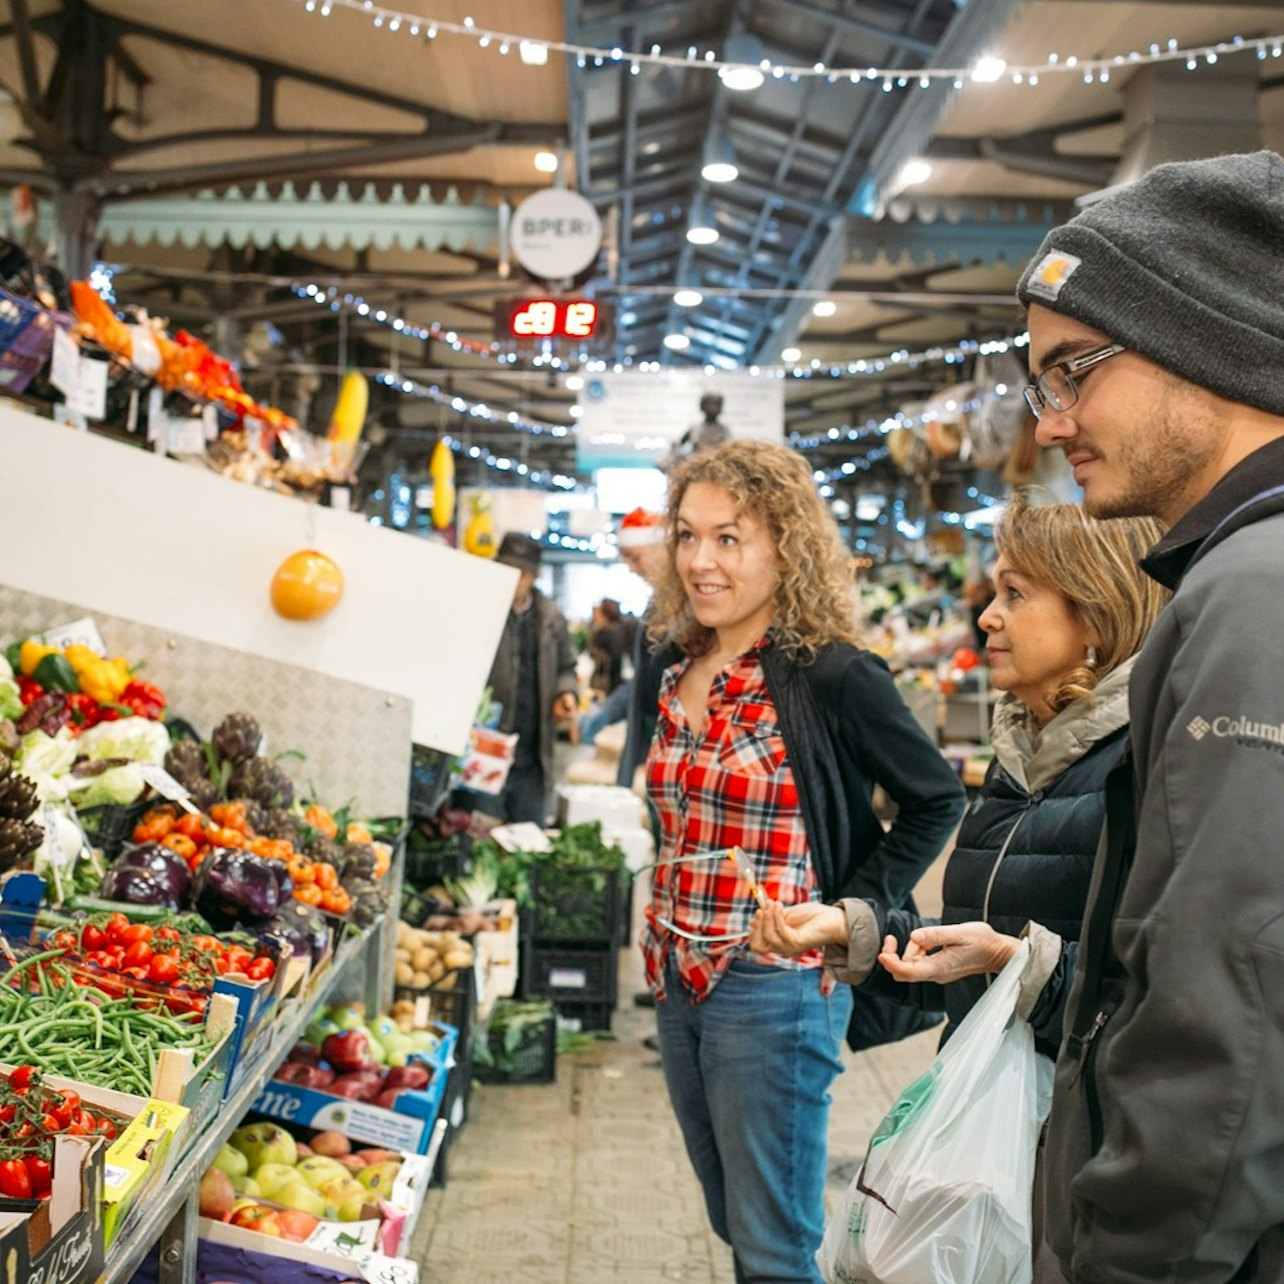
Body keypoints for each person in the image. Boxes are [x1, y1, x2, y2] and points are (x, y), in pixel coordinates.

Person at [1015, 150, 1284, 1281]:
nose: (1051, 422)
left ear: (1205, 340)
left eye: (1074, 369)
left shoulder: (1252, 595)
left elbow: (1233, 1008)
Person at [643, 439, 965, 1283]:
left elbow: (936, 799)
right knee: (733, 1210)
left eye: (728, 538)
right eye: (688, 535)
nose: (701, 560)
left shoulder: (831, 677)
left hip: (776, 984)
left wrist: (851, 910)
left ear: (786, 546)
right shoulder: (673, 665)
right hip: (676, 972)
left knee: (774, 1244)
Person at [748, 496, 1167, 1065]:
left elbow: (1160, 999)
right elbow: (968, 963)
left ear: (1094, 615)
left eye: (1014, 594)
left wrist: (1011, 961)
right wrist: (852, 928)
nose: (987, 617)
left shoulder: (1142, 771)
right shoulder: (1018, 761)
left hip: (1074, 1134)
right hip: (992, 1117)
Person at [473, 532, 577, 825]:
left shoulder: (550, 617)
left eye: (520, 573)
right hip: (487, 746)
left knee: (528, 838)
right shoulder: (482, 613)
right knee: (481, 834)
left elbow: (566, 666)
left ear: (534, 576)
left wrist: (564, 694)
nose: (512, 579)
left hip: (534, 751)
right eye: (506, 570)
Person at [661, 391, 731, 470]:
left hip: (716, 468)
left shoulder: (724, 430)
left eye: (715, 404)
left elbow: (729, 451)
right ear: (702, 406)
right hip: (696, 467)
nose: (712, 407)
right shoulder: (695, 428)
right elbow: (678, 445)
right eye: (708, 403)